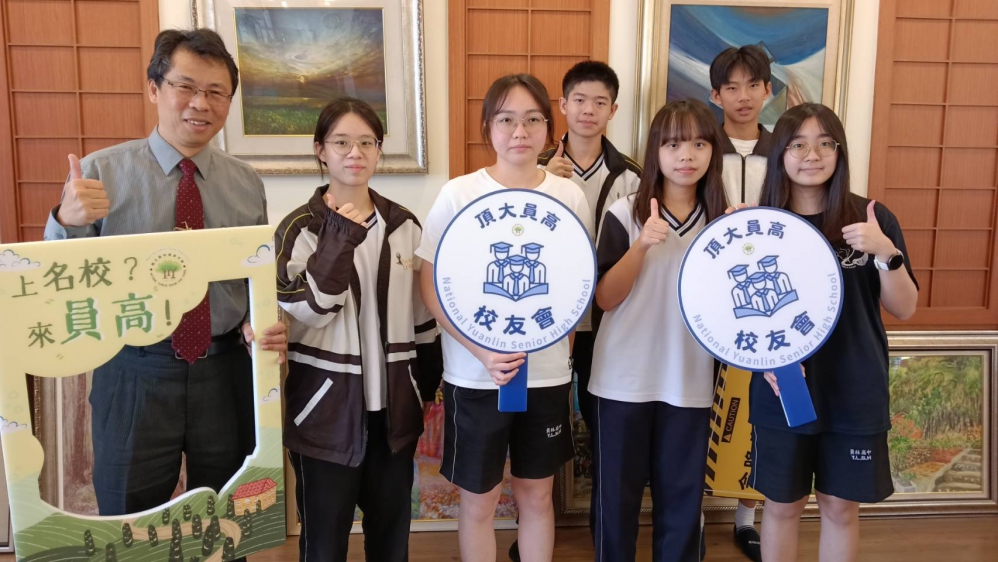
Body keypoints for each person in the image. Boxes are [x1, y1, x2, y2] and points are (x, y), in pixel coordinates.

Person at [42, 28, 288, 544]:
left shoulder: (246, 183)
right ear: (155, 88)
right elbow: (55, 282)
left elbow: (253, 278)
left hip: (225, 372)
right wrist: (65, 220)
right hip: (133, 369)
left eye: (216, 92)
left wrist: (260, 321)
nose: (201, 103)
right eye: (186, 87)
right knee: (130, 525)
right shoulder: (100, 173)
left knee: (226, 524)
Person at [416, 74, 592, 562]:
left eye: (533, 119)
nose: (520, 131)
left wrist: (561, 356)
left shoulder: (569, 197)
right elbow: (429, 286)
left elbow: (577, 287)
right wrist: (482, 353)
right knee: (480, 499)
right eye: (507, 119)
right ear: (487, 127)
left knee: (537, 495)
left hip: (547, 377)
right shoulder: (458, 194)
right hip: (474, 376)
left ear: (548, 128)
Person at [275, 97, 442, 562]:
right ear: (320, 150)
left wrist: (422, 391)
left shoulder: (404, 225)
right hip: (324, 414)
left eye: (367, 142)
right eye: (342, 142)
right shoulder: (299, 229)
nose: (356, 153)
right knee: (323, 545)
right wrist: (340, 237)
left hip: (393, 415)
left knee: (391, 542)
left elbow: (424, 319)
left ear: (379, 150)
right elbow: (312, 309)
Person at [751, 103, 918, 562]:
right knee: (782, 506)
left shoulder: (871, 217)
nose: (813, 155)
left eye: (825, 143)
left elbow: (904, 307)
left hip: (854, 387)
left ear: (839, 152)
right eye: (798, 145)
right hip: (783, 386)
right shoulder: (760, 224)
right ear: (780, 154)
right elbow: (737, 317)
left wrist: (885, 253)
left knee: (840, 507)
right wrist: (762, 362)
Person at [588, 99, 729, 562]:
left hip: (690, 379)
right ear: (656, 151)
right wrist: (642, 245)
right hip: (621, 379)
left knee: (683, 500)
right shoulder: (624, 212)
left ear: (713, 152)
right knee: (616, 500)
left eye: (699, 144)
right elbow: (605, 298)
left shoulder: (724, 222)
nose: (686, 155)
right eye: (673, 144)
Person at [706, 44, 775, 561]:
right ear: (716, 95)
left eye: (753, 85)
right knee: (702, 400)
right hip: (710, 292)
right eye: (731, 87)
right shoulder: (701, 148)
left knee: (758, 406)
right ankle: (690, 512)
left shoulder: (786, 149)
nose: (743, 96)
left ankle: (747, 518)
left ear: (768, 91)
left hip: (766, 293)